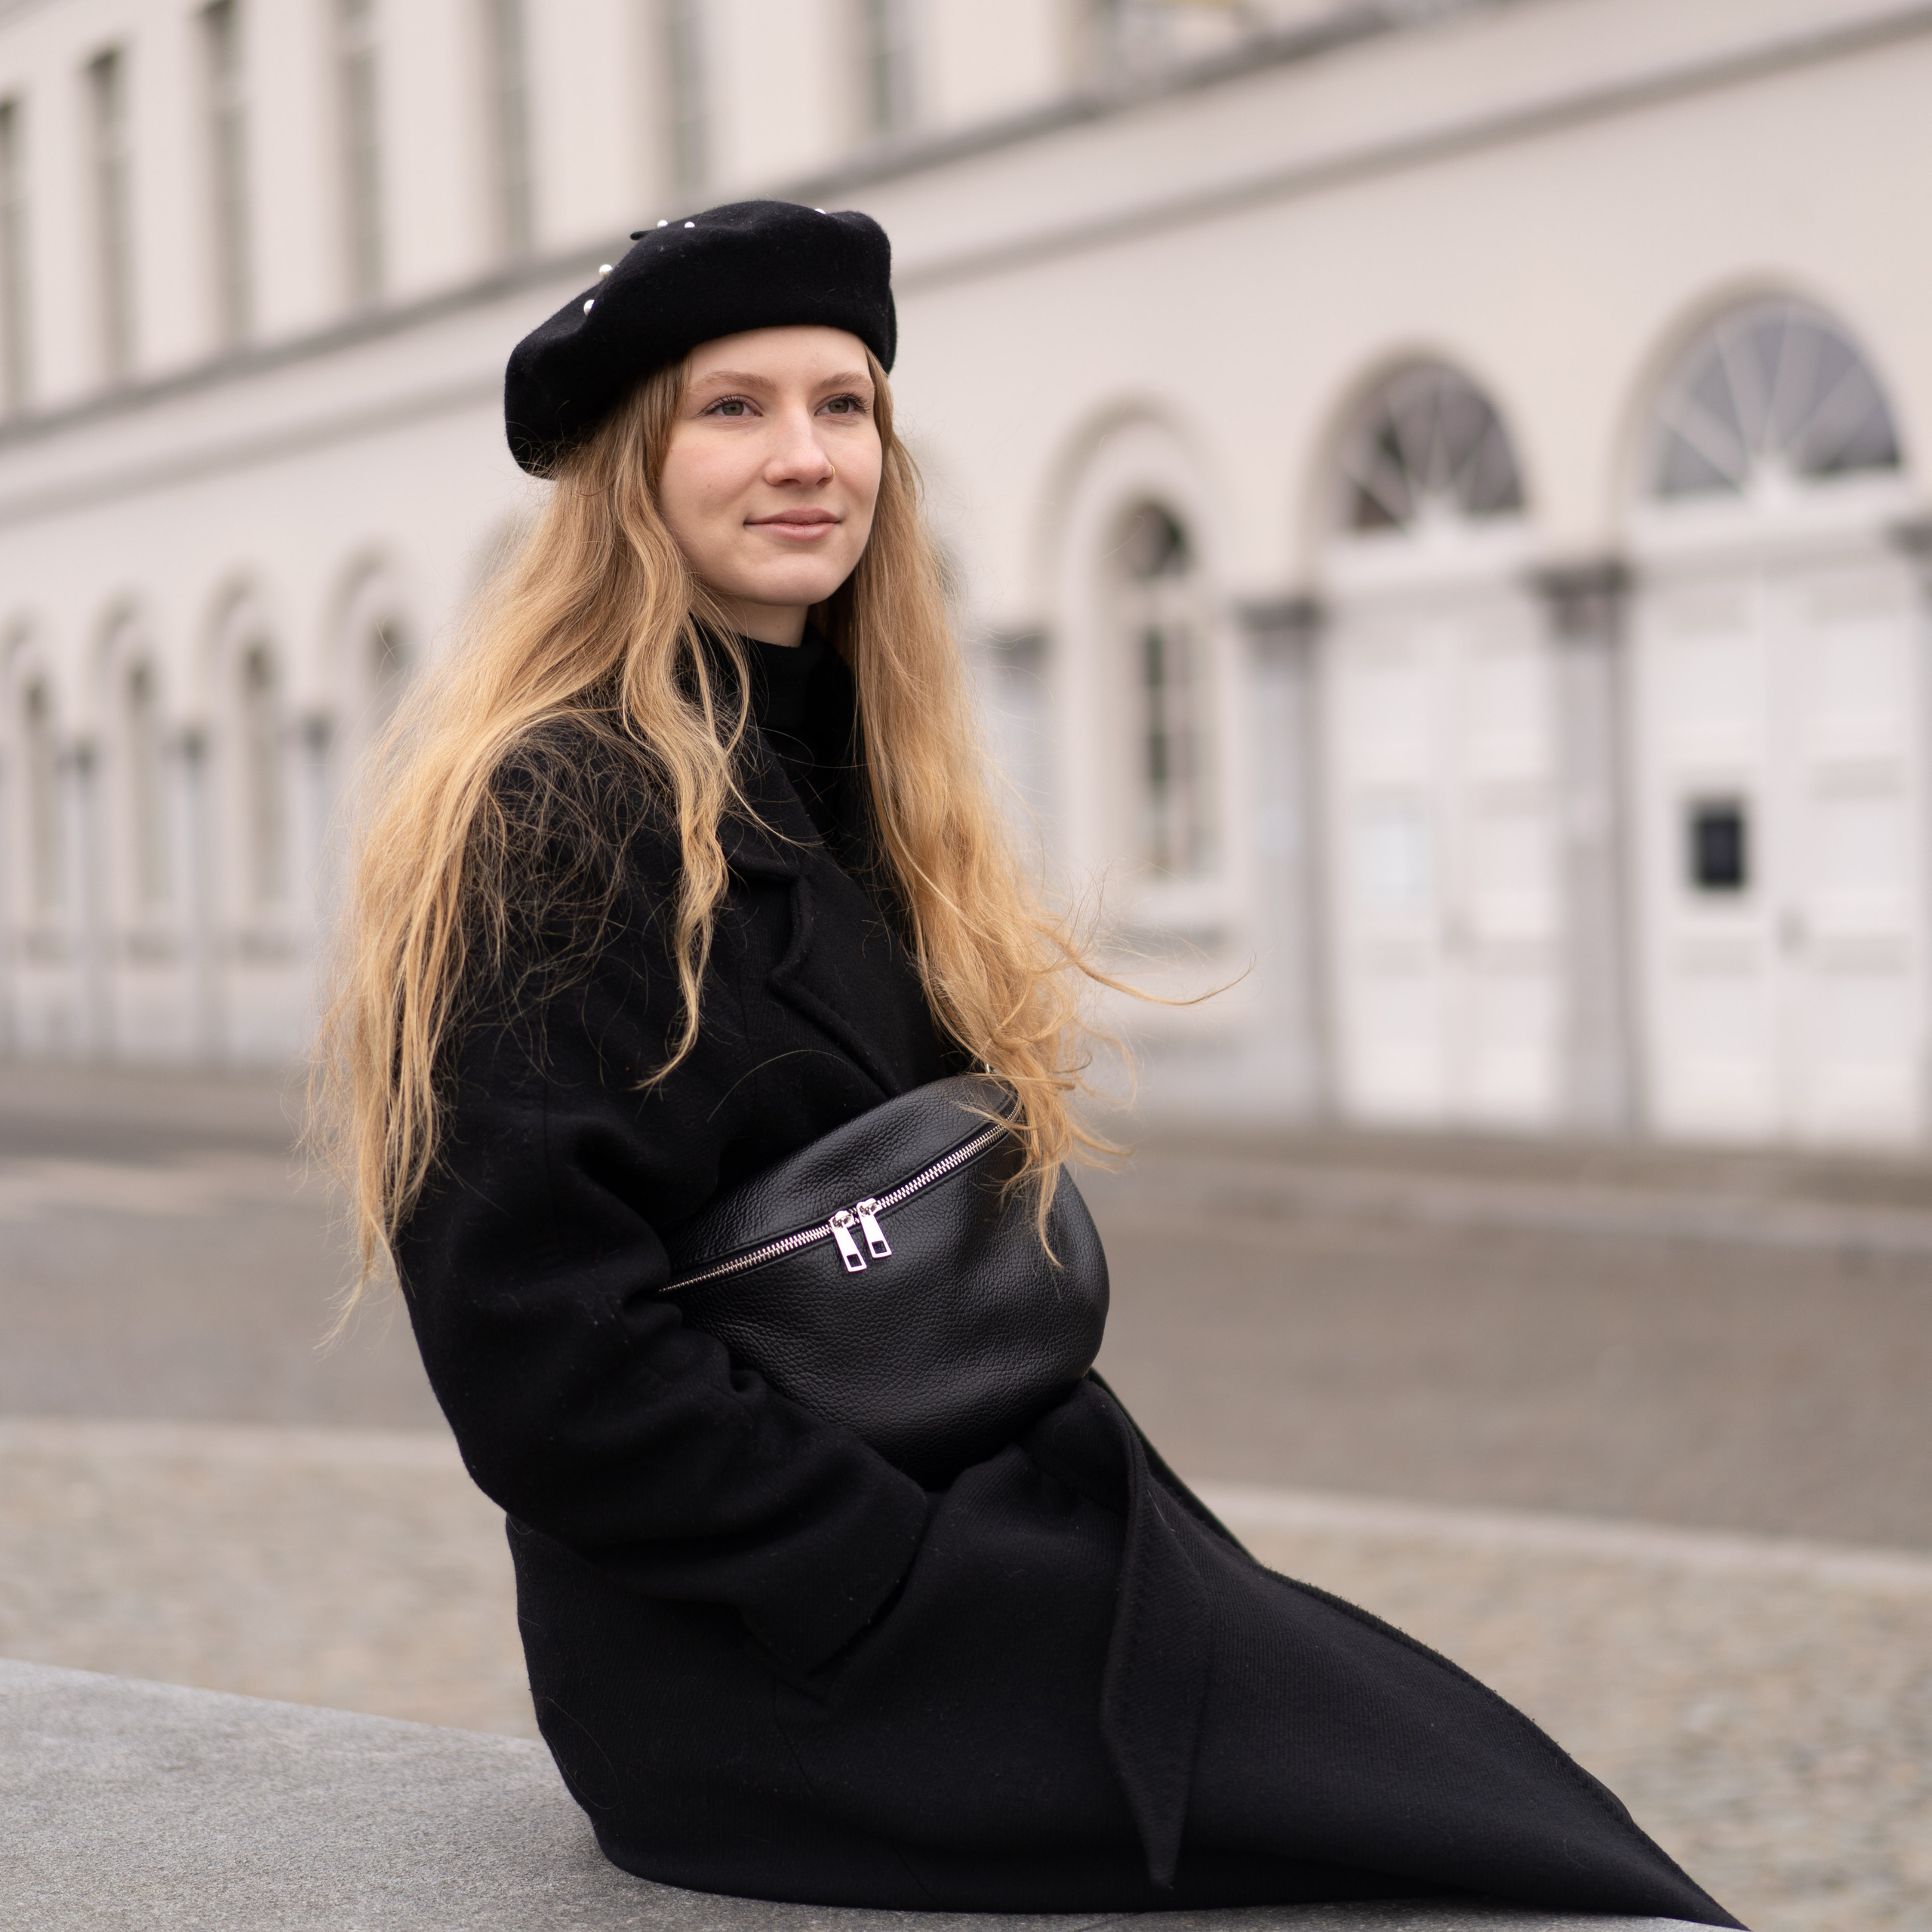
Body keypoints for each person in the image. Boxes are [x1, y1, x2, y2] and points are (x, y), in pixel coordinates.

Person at [318, 201, 1740, 1927]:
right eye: (736, 408)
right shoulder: (555, 811)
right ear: (631, 465)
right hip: (774, 1655)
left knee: (1514, 1809)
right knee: (1470, 1840)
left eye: (844, 407)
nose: (806, 457)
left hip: (983, 1533)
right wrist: (883, 1573)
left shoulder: (861, 772)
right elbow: (543, 1354)